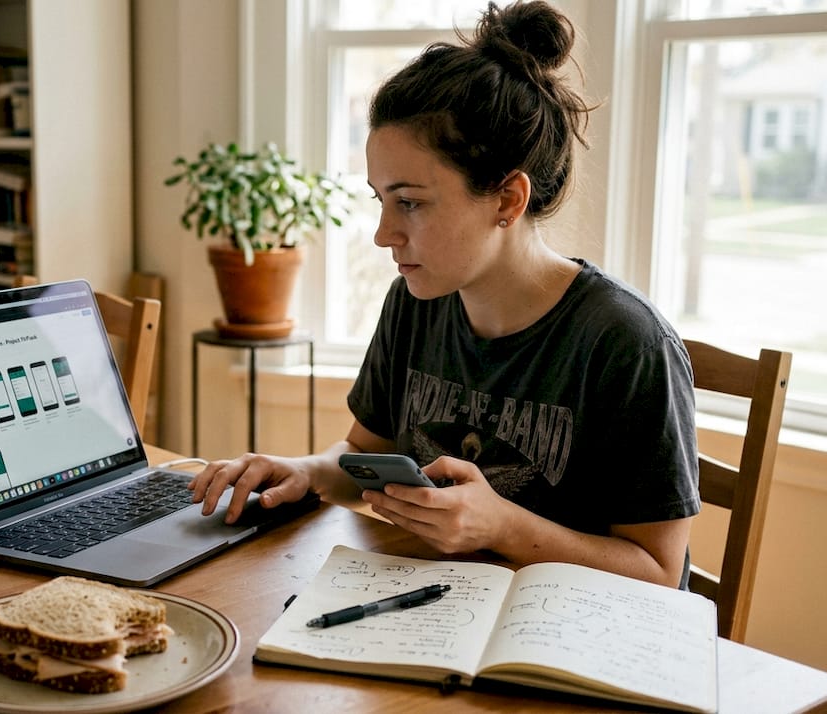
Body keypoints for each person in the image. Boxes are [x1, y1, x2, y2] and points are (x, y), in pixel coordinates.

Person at [189, 0, 699, 589]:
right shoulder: (414, 301)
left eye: (410, 202)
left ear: (508, 199)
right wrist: (305, 472)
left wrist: (499, 526)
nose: (384, 234)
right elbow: (363, 456)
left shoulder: (626, 343)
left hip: (563, 647)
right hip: (436, 608)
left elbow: (658, 573)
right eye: (381, 200)